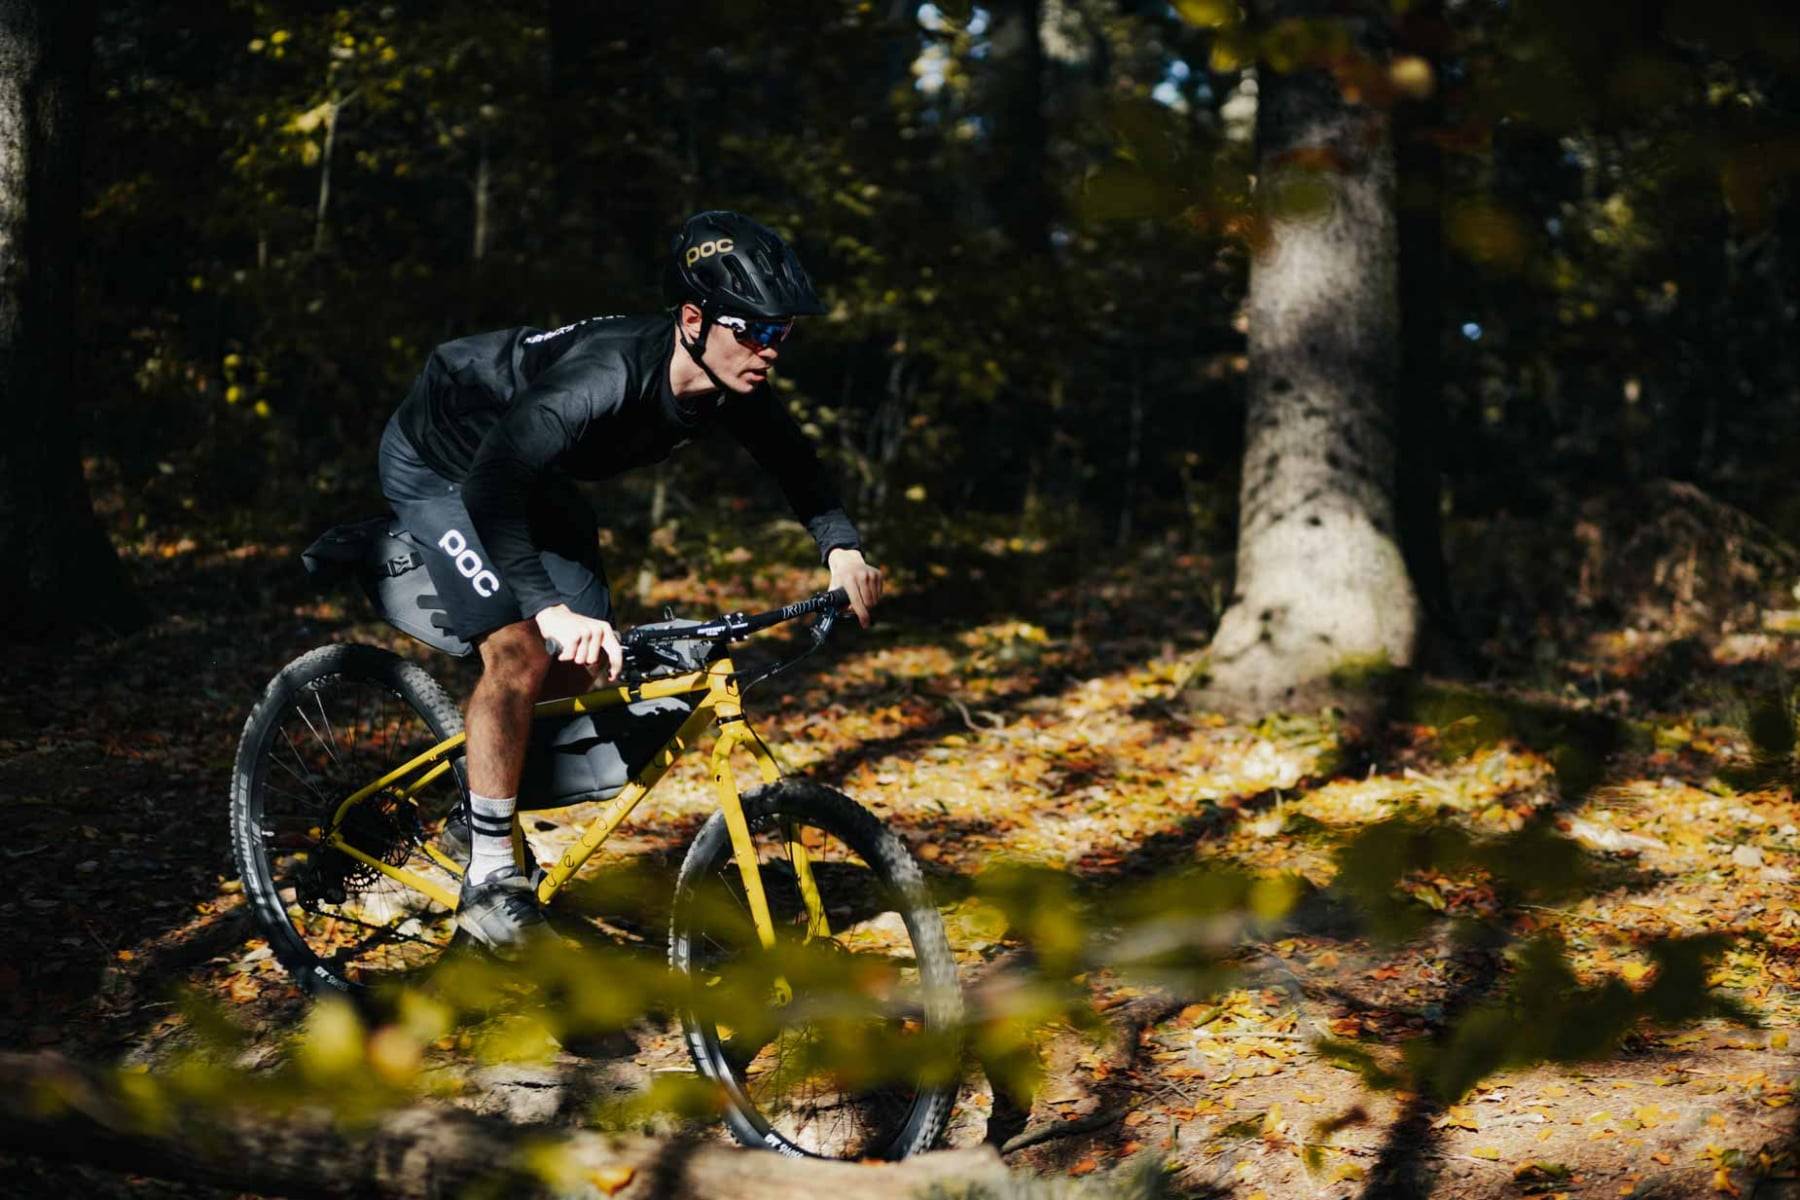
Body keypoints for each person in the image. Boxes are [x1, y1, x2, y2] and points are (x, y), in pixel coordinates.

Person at [377, 211, 882, 954]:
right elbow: (492, 483)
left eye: (781, 332)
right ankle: (489, 879)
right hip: (447, 464)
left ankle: (473, 810)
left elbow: (794, 463)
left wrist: (842, 550)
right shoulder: (605, 376)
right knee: (520, 650)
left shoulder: (732, 381)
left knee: (589, 660)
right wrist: (546, 608)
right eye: (753, 330)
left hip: (529, 473)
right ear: (693, 320)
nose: (770, 349)